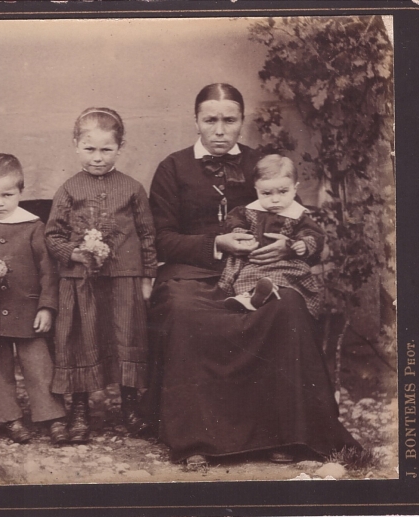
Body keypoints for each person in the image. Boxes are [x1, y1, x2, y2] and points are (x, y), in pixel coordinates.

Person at [146, 83, 360, 467]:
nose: (220, 130)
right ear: (195, 121)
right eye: (210, 120)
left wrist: (284, 244)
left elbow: (295, 215)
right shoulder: (172, 168)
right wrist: (218, 243)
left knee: (289, 305)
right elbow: (161, 240)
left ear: (242, 122)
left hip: (260, 270)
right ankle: (197, 439)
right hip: (191, 272)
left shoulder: (262, 163)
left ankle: (285, 435)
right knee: (182, 311)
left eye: (230, 120)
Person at [45, 107, 157, 443]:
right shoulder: (69, 189)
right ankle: (79, 408)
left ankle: (129, 406)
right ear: (76, 146)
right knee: (82, 338)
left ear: (120, 149)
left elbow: (148, 234)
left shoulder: (133, 188)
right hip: (81, 282)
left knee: (126, 336)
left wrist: (147, 277)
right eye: (90, 149)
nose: (98, 157)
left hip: (124, 278)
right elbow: (52, 235)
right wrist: (73, 254)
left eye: (106, 149)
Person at [0, 154, 68, 445]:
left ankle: (52, 416)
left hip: (28, 309)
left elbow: (48, 271)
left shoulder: (32, 227)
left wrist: (46, 307)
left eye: (8, 195)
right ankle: (8, 418)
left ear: (21, 192)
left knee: (39, 364)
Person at [219, 154, 324, 317]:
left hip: (287, 263)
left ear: (295, 188)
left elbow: (313, 233)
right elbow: (234, 221)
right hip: (255, 263)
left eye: (283, 192)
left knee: (292, 274)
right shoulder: (250, 211)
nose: (275, 200)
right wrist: (240, 233)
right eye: (266, 193)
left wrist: (304, 243)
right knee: (246, 275)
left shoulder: (298, 214)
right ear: (256, 190)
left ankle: (262, 295)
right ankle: (249, 296)